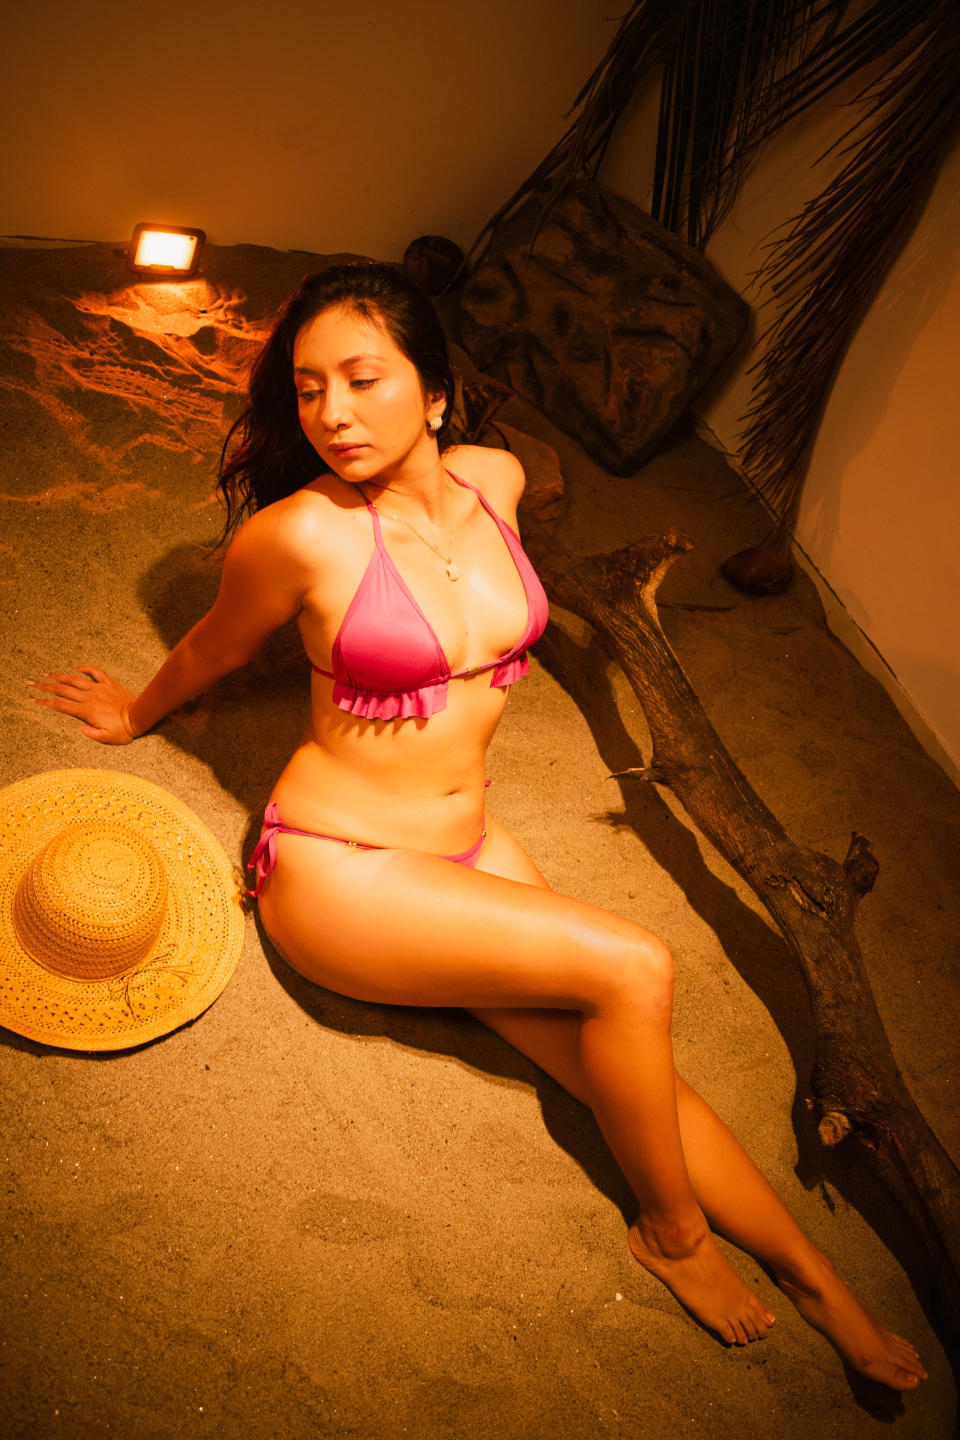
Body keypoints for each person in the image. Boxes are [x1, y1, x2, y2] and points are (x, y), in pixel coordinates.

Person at [30, 261, 926, 1390]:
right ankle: (671, 1236)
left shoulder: (497, 479)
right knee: (634, 967)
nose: (332, 414)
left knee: (622, 1059)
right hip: (341, 868)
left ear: (438, 391)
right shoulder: (299, 537)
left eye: (362, 379)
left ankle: (818, 1280)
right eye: (308, 389)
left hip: (465, 845)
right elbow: (215, 645)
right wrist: (135, 711)